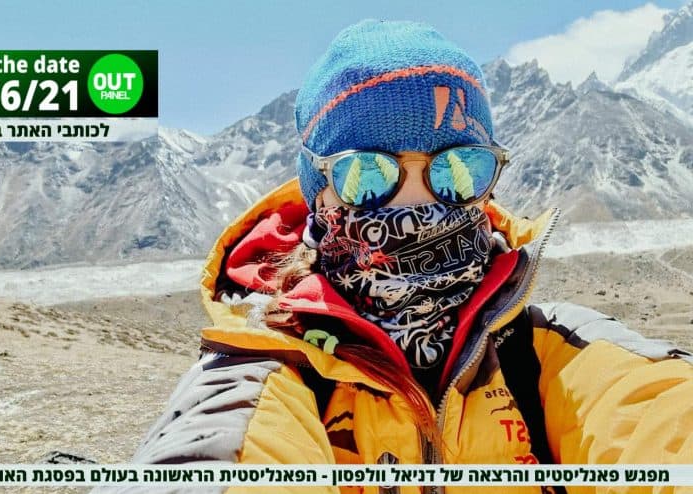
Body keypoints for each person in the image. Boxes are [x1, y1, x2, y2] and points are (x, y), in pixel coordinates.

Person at [116, 20, 693, 493]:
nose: (417, 203)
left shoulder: (553, 352)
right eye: (367, 174)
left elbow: (658, 419)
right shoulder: (268, 371)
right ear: (318, 192)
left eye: (458, 169)